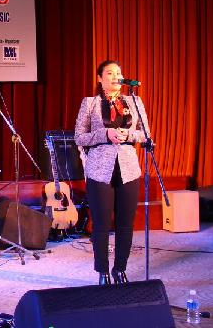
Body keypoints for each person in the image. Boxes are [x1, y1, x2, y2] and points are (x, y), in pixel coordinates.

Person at [74, 60, 150, 285]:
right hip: (99, 170)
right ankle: (103, 272)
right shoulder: (90, 103)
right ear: (100, 78)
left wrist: (129, 135)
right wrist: (104, 134)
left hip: (129, 169)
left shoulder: (134, 101)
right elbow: (79, 137)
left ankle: (120, 269)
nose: (116, 76)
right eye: (110, 73)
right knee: (101, 224)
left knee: (126, 224)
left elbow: (145, 135)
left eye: (118, 72)